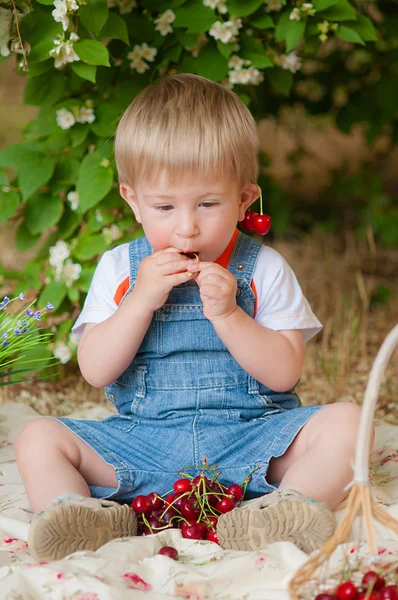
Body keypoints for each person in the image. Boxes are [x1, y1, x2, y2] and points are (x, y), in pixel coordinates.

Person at [16, 73, 369, 562]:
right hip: (145, 445)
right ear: (131, 199)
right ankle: (78, 515)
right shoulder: (121, 268)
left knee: (349, 422)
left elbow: (286, 372)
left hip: (252, 441)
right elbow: (96, 370)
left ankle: (285, 509)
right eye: (164, 206)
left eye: (208, 204)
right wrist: (139, 301)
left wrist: (228, 315)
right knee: (39, 437)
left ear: (245, 199)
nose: (186, 227)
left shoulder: (262, 268)